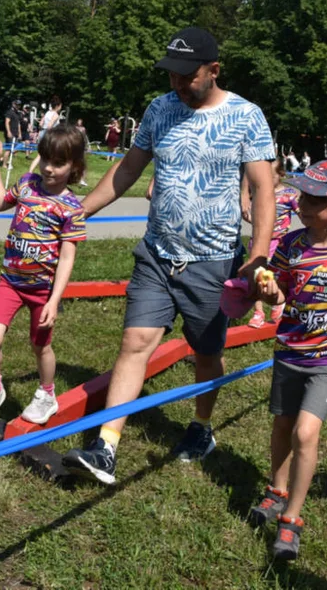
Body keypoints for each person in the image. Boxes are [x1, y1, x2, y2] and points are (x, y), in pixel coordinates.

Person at [62, 26, 276, 485]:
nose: (178, 83)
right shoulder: (159, 109)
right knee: (135, 343)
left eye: (188, 75)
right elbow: (128, 170)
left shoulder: (246, 116)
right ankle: (106, 447)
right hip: (157, 254)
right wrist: (79, 212)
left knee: (205, 351)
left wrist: (258, 253)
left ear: (214, 70)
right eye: (172, 74)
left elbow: (262, 188)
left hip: (213, 259)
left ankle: (201, 428)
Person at [237, 160, 327, 561]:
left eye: (315, 200)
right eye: (302, 195)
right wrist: (268, 294)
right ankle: (276, 491)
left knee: (305, 433)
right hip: (289, 351)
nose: (302, 204)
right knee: (282, 426)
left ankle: (293, 520)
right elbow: (281, 294)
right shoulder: (289, 245)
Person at [0, 131, 87, 429]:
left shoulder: (71, 208)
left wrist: (54, 300)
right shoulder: (26, 183)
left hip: (42, 291)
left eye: (58, 162)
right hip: (9, 283)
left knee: (40, 347)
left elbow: (68, 258)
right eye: (46, 158)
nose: (48, 167)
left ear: (74, 167)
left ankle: (47, 394)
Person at [246, 160, 299, 328]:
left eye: (271, 176)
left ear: (282, 175)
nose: (266, 179)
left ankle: (278, 304)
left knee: (274, 275)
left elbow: (303, 213)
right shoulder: (259, 192)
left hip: (278, 242)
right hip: (258, 239)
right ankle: (258, 312)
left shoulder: (289, 195)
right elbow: (251, 214)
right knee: (257, 276)